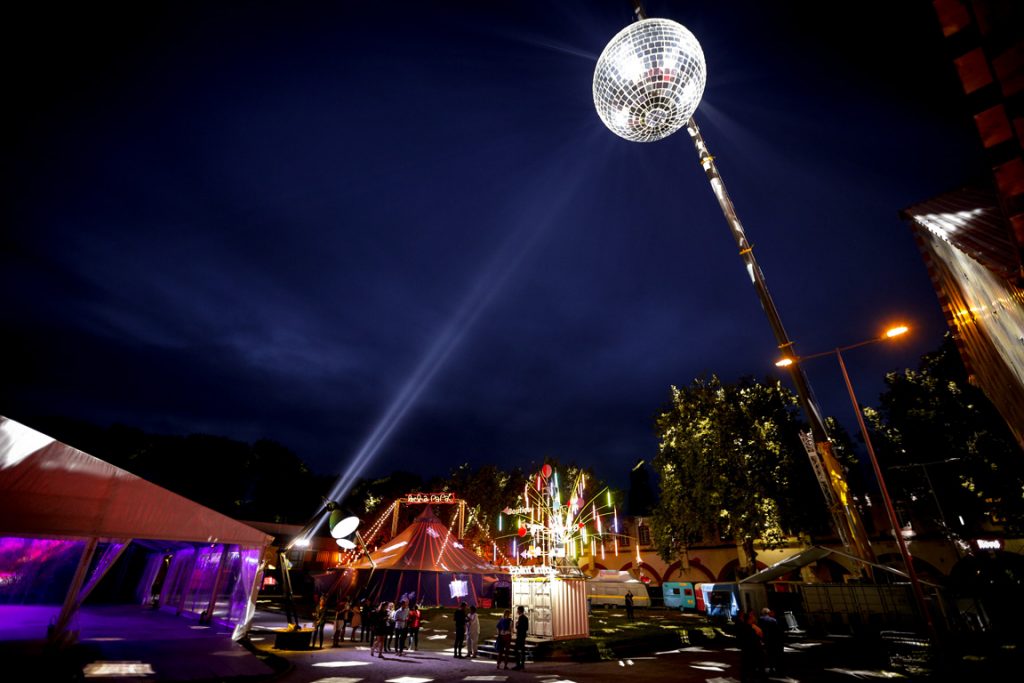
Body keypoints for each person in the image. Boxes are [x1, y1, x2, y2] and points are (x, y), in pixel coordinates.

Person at [735, 609, 764, 683]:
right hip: (751, 650)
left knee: (747, 666)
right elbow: (757, 637)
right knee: (750, 666)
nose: (754, 617)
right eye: (752, 616)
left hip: (747, 649)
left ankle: (747, 678)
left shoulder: (745, 626)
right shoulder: (749, 628)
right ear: (749, 619)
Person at [758, 607, 784, 675]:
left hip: (766, 639)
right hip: (774, 639)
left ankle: (771, 667)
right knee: (776, 653)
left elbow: (760, 629)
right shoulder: (773, 620)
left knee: (769, 653)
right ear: (768, 612)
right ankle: (778, 668)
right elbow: (778, 630)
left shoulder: (760, 619)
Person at [513, 605, 529, 670]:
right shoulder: (526, 618)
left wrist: (517, 625)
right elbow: (526, 628)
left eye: (518, 610)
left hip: (519, 636)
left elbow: (519, 627)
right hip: (523, 636)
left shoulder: (521, 618)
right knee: (522, 650)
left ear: (520, 610)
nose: (517, 611)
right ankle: (522, 665)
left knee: (516, 650)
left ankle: (518, 665)